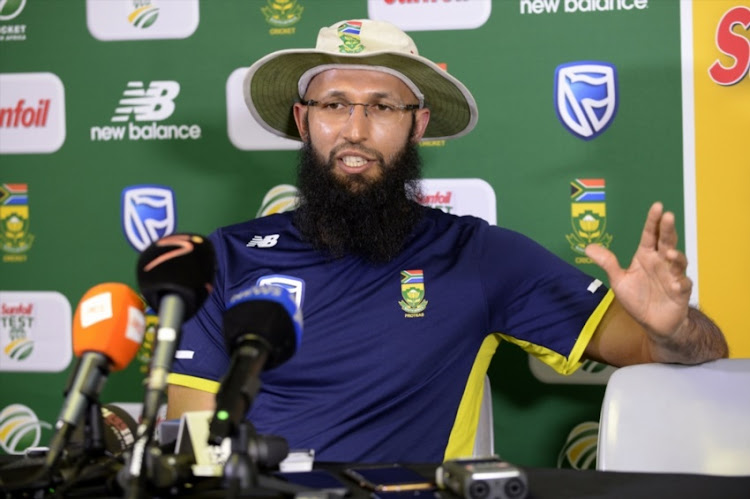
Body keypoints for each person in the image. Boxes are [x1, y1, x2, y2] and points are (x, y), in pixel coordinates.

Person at [166, 19, 728, 463]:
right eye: (333, 104)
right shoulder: (226, 258)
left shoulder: (479, 256)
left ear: (417, 125)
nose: (355, 130)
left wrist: (673, 329)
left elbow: (686, 351)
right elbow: (192, 447)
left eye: (383, 106)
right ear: (303, 118)